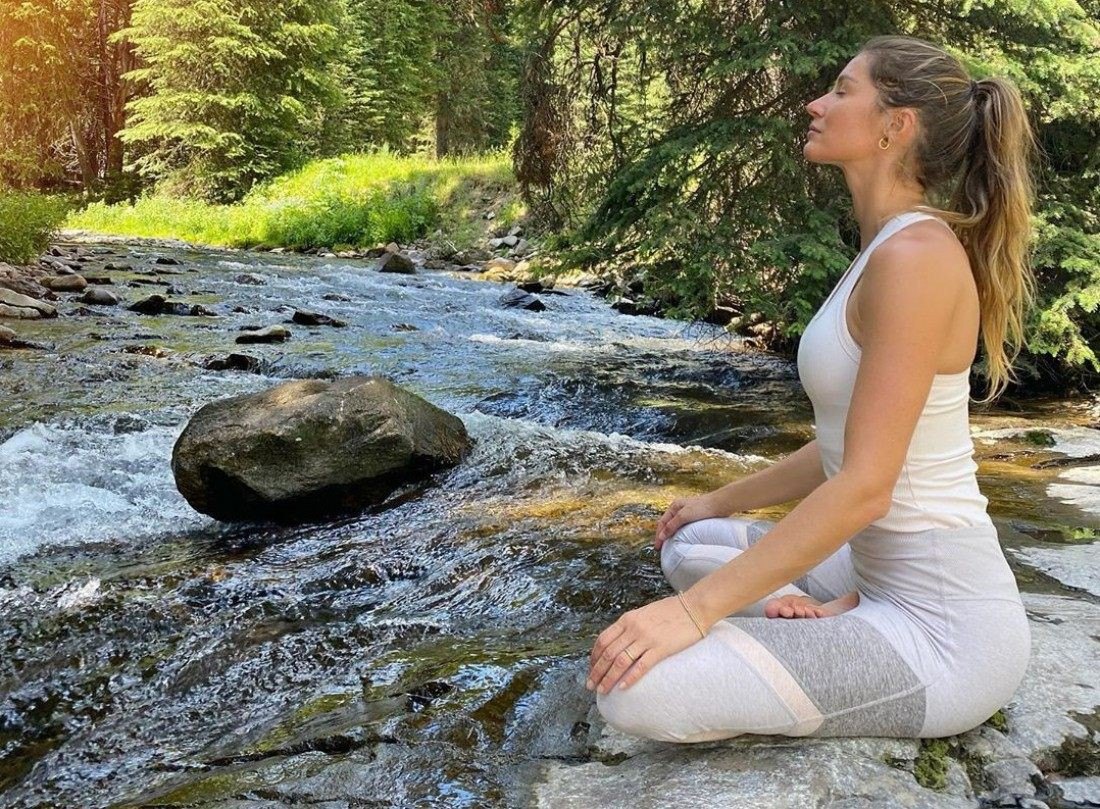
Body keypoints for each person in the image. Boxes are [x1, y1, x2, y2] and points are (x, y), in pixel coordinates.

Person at [586, 34, 1040, 742]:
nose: (815, 103)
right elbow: (841, 448)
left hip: (945, 632)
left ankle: (834, 630)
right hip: (870, 573)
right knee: (693, 537)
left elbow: (865, 486)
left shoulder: (916, 257)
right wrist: (717, 498)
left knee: (632, 690)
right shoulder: (888, 247)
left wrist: (691, 614)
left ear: (895, 126)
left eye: (842, 90)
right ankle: (833, 616)